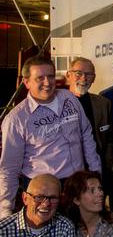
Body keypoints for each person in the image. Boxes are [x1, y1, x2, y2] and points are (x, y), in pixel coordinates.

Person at [0, 56, 102, 219]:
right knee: (47, 234)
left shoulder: (69, 98)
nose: (47, 82)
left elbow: (86, 135)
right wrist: (5, 210)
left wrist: (96, 174)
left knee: (78, 229)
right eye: (40, 78)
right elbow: (9, 168)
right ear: (26, 82)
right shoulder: (16, 119)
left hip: (77, 185)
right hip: (43, 193)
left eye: (51, 76)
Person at [0, 174, 77, 237]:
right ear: (25, 198)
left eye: (52, 198)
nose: (46, 204)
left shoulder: (65, 228)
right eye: (39, 197)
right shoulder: (3, 229)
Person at [66, 57, 113, 195]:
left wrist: (107, 166)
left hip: (97, 171)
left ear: (94, 78)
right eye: (78, 73)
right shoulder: (58, 104)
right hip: (68, 173)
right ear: (68, 75)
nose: (84, 78)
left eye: (88, 74)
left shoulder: (103, 103)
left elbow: (109, 139)